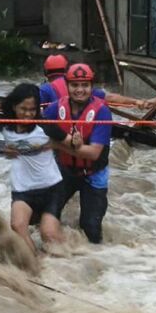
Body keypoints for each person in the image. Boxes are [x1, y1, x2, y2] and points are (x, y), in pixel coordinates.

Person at [42, 64, 113, 244]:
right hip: (65, 171)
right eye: (75, 85)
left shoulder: (102, 112)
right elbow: (36, 126)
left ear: (91, 87)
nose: (80, 90)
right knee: (43, 214)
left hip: (93, 175)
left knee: (91, 228)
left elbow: (93, 154)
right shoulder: (55, 108)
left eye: (85, 85)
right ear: (67, 86)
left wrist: (56, 143)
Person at [0, 83, 65, 254]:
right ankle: (36, 267)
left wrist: (60, 144)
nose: (27, 114)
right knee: (17, 226)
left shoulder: (45, 126)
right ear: (13, 107)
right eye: (23, 109)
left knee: (49, 235)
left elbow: (72, 144)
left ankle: (67, 262)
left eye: (32, 110)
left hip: (51, 188)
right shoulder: (5, 124)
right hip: (22, 189)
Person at [39, 54, 151, 109]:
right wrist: (136, 102)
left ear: (46, 72)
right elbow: (111, 98)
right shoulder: (83, 88)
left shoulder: (44, 89)